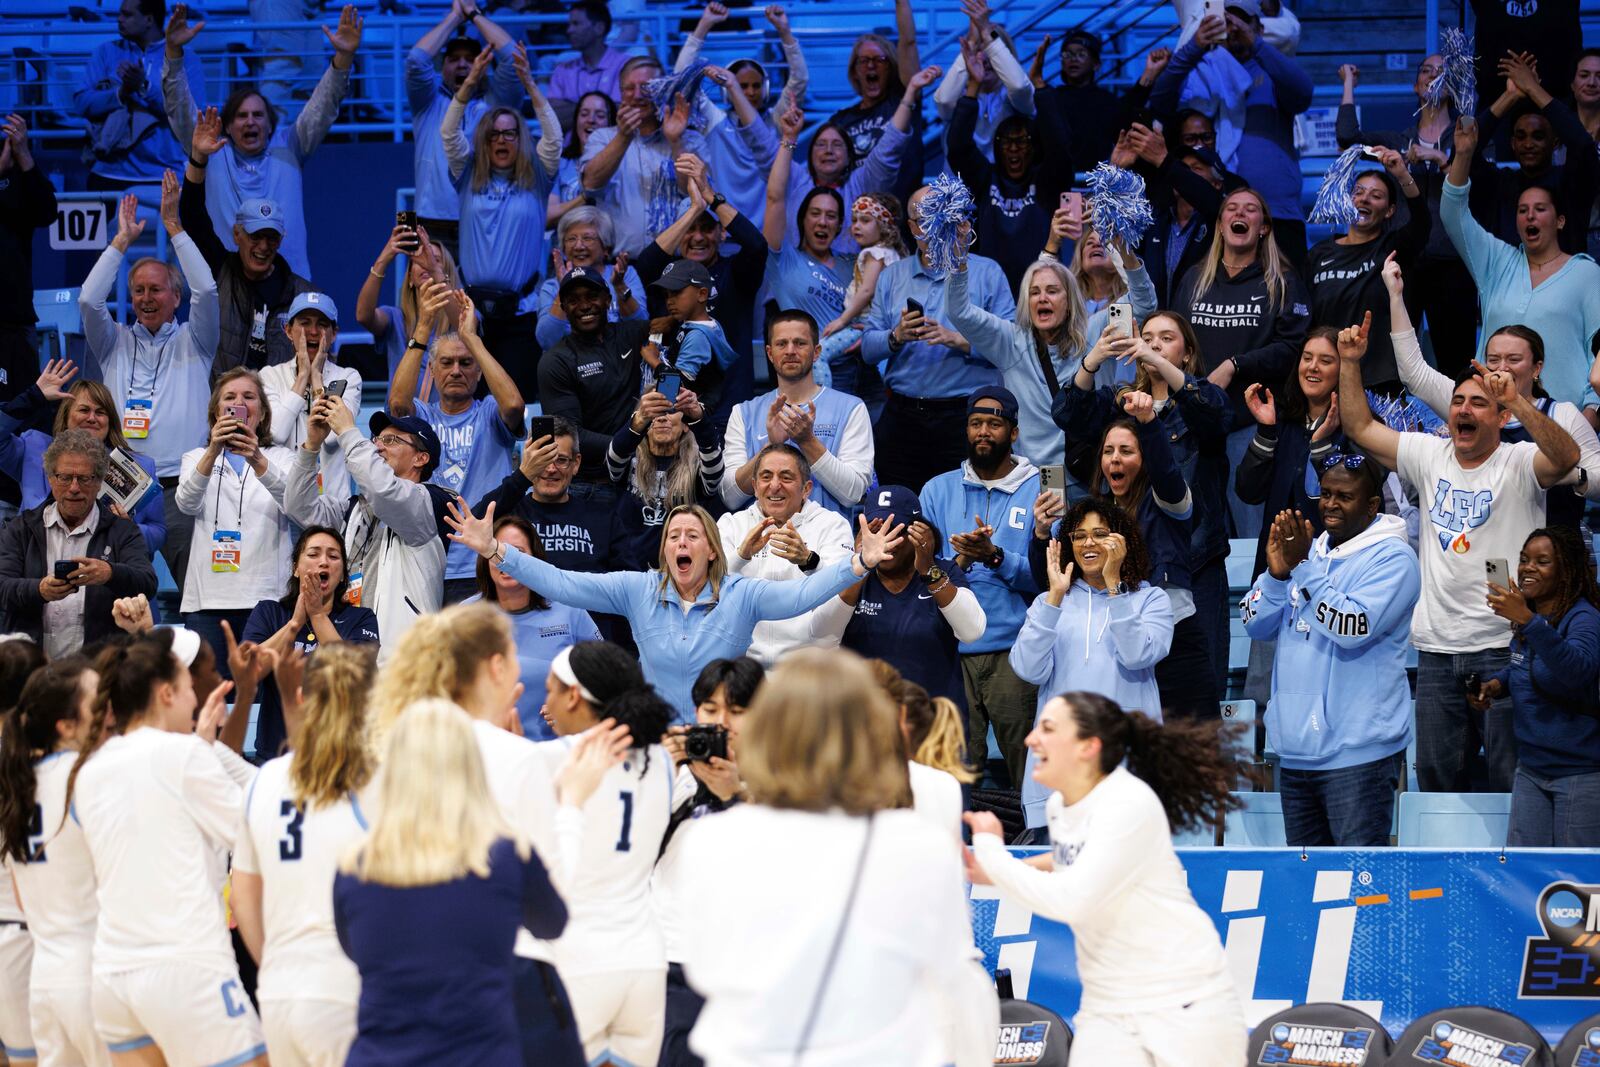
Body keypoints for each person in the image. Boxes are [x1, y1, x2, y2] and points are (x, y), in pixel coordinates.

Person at [676, 648, 995, 1067]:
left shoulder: (715, 839)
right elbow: (950, 972)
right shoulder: (917, 845)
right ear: (867, 730)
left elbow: (706, 968)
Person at [1336, 312, 1579, 793]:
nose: (1464, 410)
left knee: (1513, 781)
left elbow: (1567, 458)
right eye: (1458, 402)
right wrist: (1349, 363)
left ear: (1502, 417)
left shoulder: (1519, 460)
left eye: (1479, 404)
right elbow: (1361, 427)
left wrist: (1519, 402)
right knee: (1436, 783)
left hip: (1504, 646)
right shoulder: (1430, 453)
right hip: (1437, 648)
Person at [366, 604, 600, 1066]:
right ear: (496, 667)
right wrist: (571, 804)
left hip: (409, 979)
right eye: (513, 653)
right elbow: (555, 896)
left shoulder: (393, 750)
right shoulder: (519, 759)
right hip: (507, 979)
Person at [963, 691, 1247, 1066]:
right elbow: (1072, 855)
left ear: (1088, 747)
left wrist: (994, 855)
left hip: (1183, 1001)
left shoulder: (1127, 803)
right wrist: (1010, 869)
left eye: (1047, 729)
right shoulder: (1059, 804)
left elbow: (1072, 899)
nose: (1031, 739)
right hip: (1107, 1006)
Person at [444, 497, 906, 721]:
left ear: (711, 550)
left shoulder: (742, 593)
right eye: (672, 536)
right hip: (656, 740)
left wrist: (858, 563)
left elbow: (804, 596)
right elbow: (562, 582)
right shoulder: (637, 589)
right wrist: (496, 553)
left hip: (724, 739)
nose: (681, 542)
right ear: (665, 550)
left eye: (692, 536)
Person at [333, 699, 568, 1066]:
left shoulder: (354, 865)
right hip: (481, 1054)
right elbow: (553, 923)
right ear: (469, 764)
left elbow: (355, 950)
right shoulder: (506, 855)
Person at [72, 631, 264, 1066]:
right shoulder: (186, 757)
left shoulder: (91, 769)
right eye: (185, 689)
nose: (195, 702)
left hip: (112, 976)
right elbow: (256, 832)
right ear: (165, 693)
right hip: (184, 968)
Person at [1242, 458, 1421, 846]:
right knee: (1312, 889)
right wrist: (1276, 576)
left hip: (1358, 756)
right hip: (1295, 753)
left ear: (1373, 506)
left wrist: (1303, 568)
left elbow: (1351, 627)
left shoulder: (1394, 559)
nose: (1331, 504)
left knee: (1359, 886)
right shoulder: (1309, 550)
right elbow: (1253, 622)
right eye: (1325, 494)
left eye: (1345, 496)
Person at [1060, 312, 1232, 694]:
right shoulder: (1121, 402)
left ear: (1186, 354)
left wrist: (1155, 364)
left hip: (1197, 562)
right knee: (1132, 691)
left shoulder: (1200, 401)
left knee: (1200, 692)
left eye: (1166, 338)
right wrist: (1096, 356)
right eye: (1148, 338)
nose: (1154, 344)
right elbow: (1066, 413)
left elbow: (1218, 415)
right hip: (1133, 567)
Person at [230, 643, 375, 1067]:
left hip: (278, 990)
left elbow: (242, 899)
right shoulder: (379, 779)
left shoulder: (265, 779)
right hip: (351, 987)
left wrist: (273, 964)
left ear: (299, 698)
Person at [533, 641, 676, 1067]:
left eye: (550, 691)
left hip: (578, 961)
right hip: (646, 962)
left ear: (574, 696)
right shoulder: (663, 760)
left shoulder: (548, 759)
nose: (546, 703)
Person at [1385, 256, 1600, 528]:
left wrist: (1574, 476)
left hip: (1552, 556)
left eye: (1513, 359)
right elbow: (1413, 373)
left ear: (1537, 368)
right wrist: (1395, 296)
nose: (1501, 368)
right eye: (1494, 359)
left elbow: (1598, 479)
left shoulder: (1564, 414)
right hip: (1492, 559)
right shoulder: (1468, 405)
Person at [161, 2, 360, 277]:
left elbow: (324, 105)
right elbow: (178, 108)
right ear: (227, 127)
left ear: (270, 124)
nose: (251, 121)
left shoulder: (290, 146)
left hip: (289, 289)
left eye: (258, 115)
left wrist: (343, 59)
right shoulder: (212, 152)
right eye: (242, 116)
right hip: (228, 289)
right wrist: (173, 53)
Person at [83, 183, 217, 588]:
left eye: (155, 289)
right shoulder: (113, 342)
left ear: (176, 297)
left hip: (182, 490)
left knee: (197, 595)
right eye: (138, 290)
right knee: (110, 593)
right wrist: (120, 243)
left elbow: (207, 288)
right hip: (118, 486)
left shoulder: (197, 340)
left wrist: (174, 226)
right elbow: (89, 301)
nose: (145, 297)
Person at [1011, 500, 1174, 829]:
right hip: (1058, 777)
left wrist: (1115, 588)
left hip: (1128, 774)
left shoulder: (1151, 599)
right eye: (1079, 535)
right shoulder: (1049, 604)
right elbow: (1027, 669)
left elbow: (1137, 655)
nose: (1088, 543)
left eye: (1100, 534)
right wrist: (1055, 597)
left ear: (1122, 541)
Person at [948, 230, 1156, 470]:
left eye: (1052, 291)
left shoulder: (1095, 329)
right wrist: (958, 258)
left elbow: (1144, 303)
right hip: (1035, 477)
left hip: (1092, 472)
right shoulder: (1010, 342)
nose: (1042, 298)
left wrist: (1124, 251)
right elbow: (959, 312)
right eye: (1034, 292)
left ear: (1070, 301)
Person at [920, 387, 1041, 785]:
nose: (983, 432)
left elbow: (1046, 578)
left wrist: (995, 557)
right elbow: (925, 572)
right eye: (975, 424)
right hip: (951, 650)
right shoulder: (937, 490)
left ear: (1014, 432)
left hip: (1015, 650)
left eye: (993, 423)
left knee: (1030, 768)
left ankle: (1037, 841)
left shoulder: (1040, 489)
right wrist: (962, 561)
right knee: (954, 774)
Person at [1175, 186, 1310, 539]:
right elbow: (1175, 343)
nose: (1240, 215)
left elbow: (1293, 348)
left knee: (1253, 537)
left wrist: (1236, 364)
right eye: (1232, 209)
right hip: (1195, 426)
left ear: (1263, 227)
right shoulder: (1194, 279)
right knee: (1195, 536)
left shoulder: (1281, 281)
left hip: (1249, 427)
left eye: (1251, 210)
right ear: (1220, 225)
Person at [862, 185, 1015, 492]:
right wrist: (896, 336)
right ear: (911, 227)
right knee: (900, 511)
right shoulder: (892, 275)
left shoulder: (987, 272)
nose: (933, 228)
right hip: (902, 416)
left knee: (962, 511)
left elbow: (1012, 347)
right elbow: (867, 348)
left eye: (940, 217)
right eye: (924, 220)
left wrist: (958, 340)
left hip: (966, 416)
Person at [1442, 118, 1600, 409]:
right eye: (1522, 210)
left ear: (1560, 220)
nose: (1530, 216)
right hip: (1494, 420)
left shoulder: (1586, 273)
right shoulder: (1496, 262)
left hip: (1565, 419)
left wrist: (1592, 414)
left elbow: (1598, 352)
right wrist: (1463, 153)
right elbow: (1453, 213)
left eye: (1540, 209)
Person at [653, 657, 762, 1067]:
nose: (722, 723)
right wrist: (657, 772)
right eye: (711, 709)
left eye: (737, 711)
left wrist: (736, 795)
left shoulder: (780, 783)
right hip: (672, 953)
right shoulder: (672, 773)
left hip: (743, 961)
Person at [1149, 1, 1314, 272]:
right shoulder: (1201, 72)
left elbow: (1303, 93)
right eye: (1226, 21)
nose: (1233, 28)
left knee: (1289, 301)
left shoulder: (1271, 70)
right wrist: (1195, 45)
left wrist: (1255, 43)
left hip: (1277, 211)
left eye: (1242, 20)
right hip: (1209, 213)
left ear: (1259, 27)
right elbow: (1160, 101)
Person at [1335, 56, 1474, 377]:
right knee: (1398, 355)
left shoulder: (1464, 137)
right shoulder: (1399, 141)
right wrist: (1348, 84)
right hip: (1405, 260)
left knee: (1457, 359)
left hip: (1451, 260)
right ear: (1416, 85)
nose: (1433, 76)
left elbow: (1479, 182)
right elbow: (1347, 137)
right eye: (1427, 70)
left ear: (1451, 88)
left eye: (1442, 72)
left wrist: (1440, 158)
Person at [285, 398, 453, 660]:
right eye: (377, 439)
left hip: (405, 664)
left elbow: (385, 491)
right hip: (352, 653)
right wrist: (312, 445)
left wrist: (348, 432)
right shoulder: (355, 509)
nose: (378, 447)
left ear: (421, 458)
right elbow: (298, 506)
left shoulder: (431, 502)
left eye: (392, 441)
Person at [0, 656, 106, 1067]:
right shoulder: (88, 776)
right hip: (90, 968)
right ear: (66, 723)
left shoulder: (19, 778)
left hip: (44, 971)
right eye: (98, 702)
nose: (108, 711)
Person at [388, 288, 525, 603]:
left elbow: (515, 406)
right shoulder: (420, 417)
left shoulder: (490, 411)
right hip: (426, 561)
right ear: (432, 372)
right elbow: (397, 404)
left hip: (481, 562)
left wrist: (473, 340)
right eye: (446, 363)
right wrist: (423, 328)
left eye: (466, 363)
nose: (456, 371)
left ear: (478, 372)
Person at [443, 46, 563, 399]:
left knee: (519, 406)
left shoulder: (538, 178)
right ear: (483, 140)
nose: (502, 140)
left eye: (510, 133)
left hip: (522, 316)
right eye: (494, 134)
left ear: (520, 138)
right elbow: (449, 133)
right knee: (471, 407)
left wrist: (529, 83)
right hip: (472, 315)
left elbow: (554, 137)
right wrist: (469, 86)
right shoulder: (466, 175)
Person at [1475, 526, 1600, 846]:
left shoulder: (1584, 618)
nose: (1528, 568)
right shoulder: (1531, 615)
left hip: (1580, 773)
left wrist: (1530, 623)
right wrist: (1497, 684)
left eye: (1542, 561)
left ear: (1566, 569)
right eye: (1524, 559)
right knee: (1525, 871)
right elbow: (1525, 662)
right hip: (1530, 769)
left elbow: (1577, 671)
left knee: (1573, 882)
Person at [810, 486, 986, 713]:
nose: (886, 540)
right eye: (876, 530)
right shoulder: (847, 574)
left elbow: (972, 631)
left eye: (895, 530)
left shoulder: (943, 571)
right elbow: (821, 637)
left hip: (933, 723)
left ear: (918, 533)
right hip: (866, 722)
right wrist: (859, 566)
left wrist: (928, 569)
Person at [175, 368, 297, 675]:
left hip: (267, 596)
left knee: (262, 699)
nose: (238, 403)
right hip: (207, 600)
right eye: (229, 398)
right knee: (212, 698)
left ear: (262, 411)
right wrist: (214, 450)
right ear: (216, 412)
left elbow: (296, 507)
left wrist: (257, 458)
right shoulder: (195, 457)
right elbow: (186, 503)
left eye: (248, 397)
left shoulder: (283, 458)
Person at [0, 431, 158, 661]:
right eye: (65, 477)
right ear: (51, 479)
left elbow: (147, 582)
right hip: (31, 672)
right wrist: (39, 590)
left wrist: (109, 573)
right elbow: (2, 587)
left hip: (97, 670)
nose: (74, 487)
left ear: (99, 481)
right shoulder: (20, 528)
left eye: (84, 478)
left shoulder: (122, 530)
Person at [180, 108, 315, 374]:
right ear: (237, 235)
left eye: (271, 237)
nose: (263, 247)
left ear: (281, 239)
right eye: (255, 236)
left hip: (280, 406)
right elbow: (192, 215)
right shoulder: (220, 272)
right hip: (224, 401)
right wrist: (198, 159)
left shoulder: (302, 294)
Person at [634, 164, 772, 417]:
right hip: (672, 412)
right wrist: (694, 209)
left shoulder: (736, 273)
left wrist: (711, 198)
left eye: (707, 228)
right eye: (690, 229)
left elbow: (756, 245)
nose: (698, 237)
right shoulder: (664, 278)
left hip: (729, 411)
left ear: (721, 234)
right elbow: (643, 266)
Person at [239, 525, 380, 760]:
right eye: (313, 554)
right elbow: (247, 671)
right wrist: (295, 623)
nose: (323, 562)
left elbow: (357, 675)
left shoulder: (361, 618)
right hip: (277, 756)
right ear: (296, 568)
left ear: (343, 573)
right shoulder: (268, 613)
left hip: (339, 756)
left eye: (333, 556)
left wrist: (317, 616)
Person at [721, 310, 875, 517]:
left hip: (825, 544)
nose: (790, 351)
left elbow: (854, 493)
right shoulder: (743, 412)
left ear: (817, 352)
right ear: (769, 353)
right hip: (761, 544)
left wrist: (807, 441)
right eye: (781, 344)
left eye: (800, 343)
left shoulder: (851, 408)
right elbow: (730, 497)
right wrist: (770, 448)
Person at [715, 444, 856, 666]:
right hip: (744, 668)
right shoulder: (731, 525)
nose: (774, 486)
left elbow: (843, 591)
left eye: (786, 477)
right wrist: (741, 556)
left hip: (809, 667)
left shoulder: (833, 524)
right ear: (754, 485)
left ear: (807, 488)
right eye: (766, 476)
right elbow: (710, 590)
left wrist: (809, 561)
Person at [0, 372, 166, 557]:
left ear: (110, 421)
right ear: (66, 415)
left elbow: (158, 532)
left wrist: (128, 529)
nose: (92, 418)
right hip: (38, 568)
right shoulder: (34, 448)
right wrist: (33, 397)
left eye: (101, 412)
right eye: (84, 410)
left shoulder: (141, 466)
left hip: (106, 571)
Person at [1305, 147, 1430, 392]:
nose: (1364, 199)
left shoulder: (1394, 248)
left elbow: (1422, 222)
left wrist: (1403, 175)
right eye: (1358, 192)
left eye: (1376, 196)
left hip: (1381, 383)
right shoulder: (1319, 254)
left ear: (1390, 210)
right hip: (1328, 378)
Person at [468, 514, 601, 739]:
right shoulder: (465, 616)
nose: (506, 560)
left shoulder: (571, 611)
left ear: (535, 560)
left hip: (555, 755)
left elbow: (604, 679)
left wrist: (575, 706)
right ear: (484, 557)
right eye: (498, 551)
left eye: (518, 553)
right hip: (483, 757)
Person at [407, 1, 520, 255]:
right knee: (431, 295)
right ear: (442, 66)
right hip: (431, 222)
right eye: (454, 59)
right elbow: (416, 60)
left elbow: (514, 60)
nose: (462, 65)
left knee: (477, 295)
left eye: (471, 59)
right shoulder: (427, 103)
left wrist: (474, 14)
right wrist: (455, 16)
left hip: (485, 218)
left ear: (484, 66)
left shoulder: (497, 102)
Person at [1235, 327, 1345, 578]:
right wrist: (1266, 430)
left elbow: (1348, 500)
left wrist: (1320, 445)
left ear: (1344, 371)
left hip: (1331, 571)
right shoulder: (1283, 424)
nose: (1313, 367)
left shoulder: (1359, 429)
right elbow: (1248, 492)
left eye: (1326, 361)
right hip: (1273, 571)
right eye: (1307, 358)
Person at [947, 70, 1071, 290]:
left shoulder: (1047, 179)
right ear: (996, 147)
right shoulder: (985, 178)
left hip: (1040, 285)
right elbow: (957, 146)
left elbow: (1059, 145)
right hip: (992, 289)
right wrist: (972, 88)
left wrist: (1040, 87)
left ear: (1034, 148)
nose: (1013, 148)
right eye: (1006, 142)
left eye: (1022, 142)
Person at [1469, 51, 1598, 259]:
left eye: (1538, 136)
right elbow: (1465, 148)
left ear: (1554, 142)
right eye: (1521, 137)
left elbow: (1583, 145)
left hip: (1562, 286)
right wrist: (1509, 96)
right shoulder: (1500, 183)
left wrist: (1534, 89)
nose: (1528, 144)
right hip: (1511, 286)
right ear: (1512, 143)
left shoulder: (1570, 183)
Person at [580, 56, 708, 257]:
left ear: (662, 89)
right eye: (629, 88)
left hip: (675, 264)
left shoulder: (691, 140)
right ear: (621, 93)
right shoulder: (603, 138)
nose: (637, 95)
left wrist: (675, 141)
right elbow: (590, 184)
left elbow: (698, 195)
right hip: (621, 265)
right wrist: (623, 137)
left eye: (647, 87)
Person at [75, 0, 204, 196]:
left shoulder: (187, 58)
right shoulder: (104, 53)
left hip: (164, 175)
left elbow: (191, 117)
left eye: (127, 15)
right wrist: (121, 93)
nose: (119, 19)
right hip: (108, 173)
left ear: (149, 20)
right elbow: (82, 104)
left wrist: (144, 87)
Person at [538, 263, 652, 481]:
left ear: (608, 300)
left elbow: (679, 327)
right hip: (592, 483)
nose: (584, 306)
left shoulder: (633, 334)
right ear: (563, 307)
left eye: (592, 296)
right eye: (573, 300)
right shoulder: (555, 360)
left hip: (641, 476)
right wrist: (632, 445)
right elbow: (570, 435)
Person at [0, 113, 59, 523]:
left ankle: (17, 509)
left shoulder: (16, 174)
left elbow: (46, 211)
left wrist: (23, 156)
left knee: (26, 415)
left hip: (14, 322)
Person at [475, 415, 622, 576]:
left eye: (561, 460)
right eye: (543, 458)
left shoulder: (603, 518)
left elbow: (625, 580)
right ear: (528, 460)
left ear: (576, 463)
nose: (551, 469)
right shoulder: (508, 512)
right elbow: (474, 523)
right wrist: (523, 475)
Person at [605, 385, 725, 570]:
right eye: (655, 412)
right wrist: (639, 419)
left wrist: (699, 418)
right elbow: (614, 456)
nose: (661, 417)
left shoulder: (697, 465)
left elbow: (714, 467)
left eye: (671, 410)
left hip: (683, 571)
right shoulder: (629, 459)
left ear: (686, 424)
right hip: (630, 573)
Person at [260, 293, 362, 498]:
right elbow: (276, 434)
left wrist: (316, 379)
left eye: (322, 324)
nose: (313, 331)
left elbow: (333, 437)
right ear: (288, 330)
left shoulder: (347, 377)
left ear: (334, 333)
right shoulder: (269, 375)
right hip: (281, 496)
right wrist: (302, 377)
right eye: (305, 323)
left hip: (331, 501)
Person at [826, 3, 926, 202]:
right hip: (855, 217)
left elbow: (908, 42)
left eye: (879, 59)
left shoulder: (903, 102)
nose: (871, 65)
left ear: (891, 67)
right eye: (863, 61)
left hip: (899, 214)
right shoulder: (841, 120)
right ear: (854, 71)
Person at [356, 223, 466, 394]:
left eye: (435, 259)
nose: (427, 263)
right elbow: (363, 315)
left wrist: (434, 269)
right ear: (409, 279)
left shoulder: (465, 314)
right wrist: (384, 257)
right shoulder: (395, 318)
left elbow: (464, 326)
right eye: (419, 260)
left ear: (447, 274)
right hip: (400, 418)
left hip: (445, 419)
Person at [933, 2, 1035, 165]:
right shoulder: (957, 95)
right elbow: (944, 100)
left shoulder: (1014, 97)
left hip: (1005, 185)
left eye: (989, 51)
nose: (983, 59)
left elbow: (1019, 86)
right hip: (959, 187)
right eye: (977, 51)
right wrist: (971, 44)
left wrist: (989, 38)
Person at [536, 208, 646, 351]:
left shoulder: (625, 275)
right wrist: (563, 289)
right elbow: (547, 340)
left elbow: (640, 327)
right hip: (572, 364)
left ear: (606, 247)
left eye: (587, 238)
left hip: (618, 358)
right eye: (571, 239)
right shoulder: (551, 287)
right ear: (563, 248)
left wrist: (619, 287)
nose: (579, 246)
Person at [549, 0, 632, 114]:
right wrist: (605, 108)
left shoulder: (627, 67)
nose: (569, 30)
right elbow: (553, 119)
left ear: (599, 28)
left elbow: (624, 113)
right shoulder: (562, 71)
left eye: (576, 24)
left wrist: (570, 108)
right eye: (569, 25)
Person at [549, 92, 618, 228]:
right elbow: (548, 217)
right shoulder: (561, 163)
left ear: (611, 124)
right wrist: (587, 195)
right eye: (584, 114)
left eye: (600, 115)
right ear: (576, 121)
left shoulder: (623, 163)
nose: (591, 120)